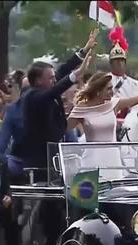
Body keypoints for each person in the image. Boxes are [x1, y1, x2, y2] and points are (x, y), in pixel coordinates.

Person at [66, 72, 138, 178]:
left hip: (112, 160)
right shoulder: (82, 108)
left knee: (115, 193)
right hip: (91, 160)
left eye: (112, 88)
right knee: (85, 193)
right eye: (108, 89)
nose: (112, 92)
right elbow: (63, 128)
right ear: (98, 90)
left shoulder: (114, 105)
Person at [16, 44, 94, 178]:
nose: (54, 80)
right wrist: (77, 74)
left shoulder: (45, 86)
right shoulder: (34, 96)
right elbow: (56, 90)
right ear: (39, 80)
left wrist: (83, 51)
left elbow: (63, 70)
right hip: (39, 161)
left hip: (54, 156)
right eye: (51, 78)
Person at [108, 27, 138, 129]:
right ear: (111, 63)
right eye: (116, 61)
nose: (119, 63)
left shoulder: (134, 83)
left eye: (122, 61)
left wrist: (127, 122)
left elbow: (135, 108)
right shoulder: (104, 80)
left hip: (127, 118)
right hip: (107, 116)